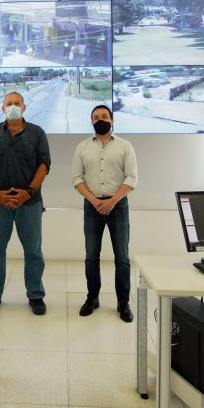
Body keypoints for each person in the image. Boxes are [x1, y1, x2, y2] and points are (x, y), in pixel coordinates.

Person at [0, 92, 51, 315]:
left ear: (24, 108)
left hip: (29, 203)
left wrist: (28, 193)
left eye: (16, 103)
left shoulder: (37, 133)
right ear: (2, 108)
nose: (13, 107)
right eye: (9, 104)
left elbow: (44, 165)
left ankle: (36, 295)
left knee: (33, 251)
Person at [71, 105, 138, 322]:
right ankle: (93, 298)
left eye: (104, 116)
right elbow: (77, 179)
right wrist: (94, 200)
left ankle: (123, 302)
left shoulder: (125, 146)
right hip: (92, 207)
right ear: (91, 121)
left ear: (112, 120)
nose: (101, 120)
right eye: (96, 117)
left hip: (118, 205)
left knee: (123, 258)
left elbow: (131, 178)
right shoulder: (82, 147)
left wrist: (112, 201)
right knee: (91, 256)